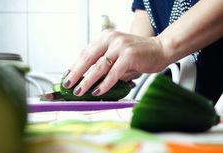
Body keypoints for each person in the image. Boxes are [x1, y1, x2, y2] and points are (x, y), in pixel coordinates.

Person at [63, 0, 223, 104]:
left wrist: (161, 46)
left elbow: (157, 46)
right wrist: (118, 65)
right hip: (192, 107)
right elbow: (139, 39)